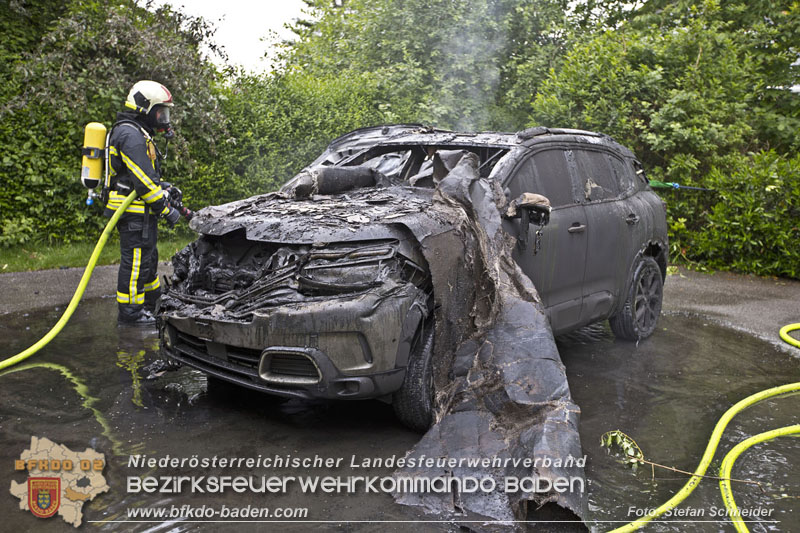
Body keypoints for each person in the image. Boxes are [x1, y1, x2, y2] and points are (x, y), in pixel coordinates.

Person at [104, 80, 183, 326]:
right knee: (135, 262)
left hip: (141, 211)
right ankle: (131, 314)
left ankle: (151, 303)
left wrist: (166, 188)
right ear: (144, 108)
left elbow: (146, 178)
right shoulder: (130, 134)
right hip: (132, 212)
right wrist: (166, 209)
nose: (163, 118)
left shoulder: (138, 132)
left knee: (148, 259)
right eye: (160, 111)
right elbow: (142, 181)